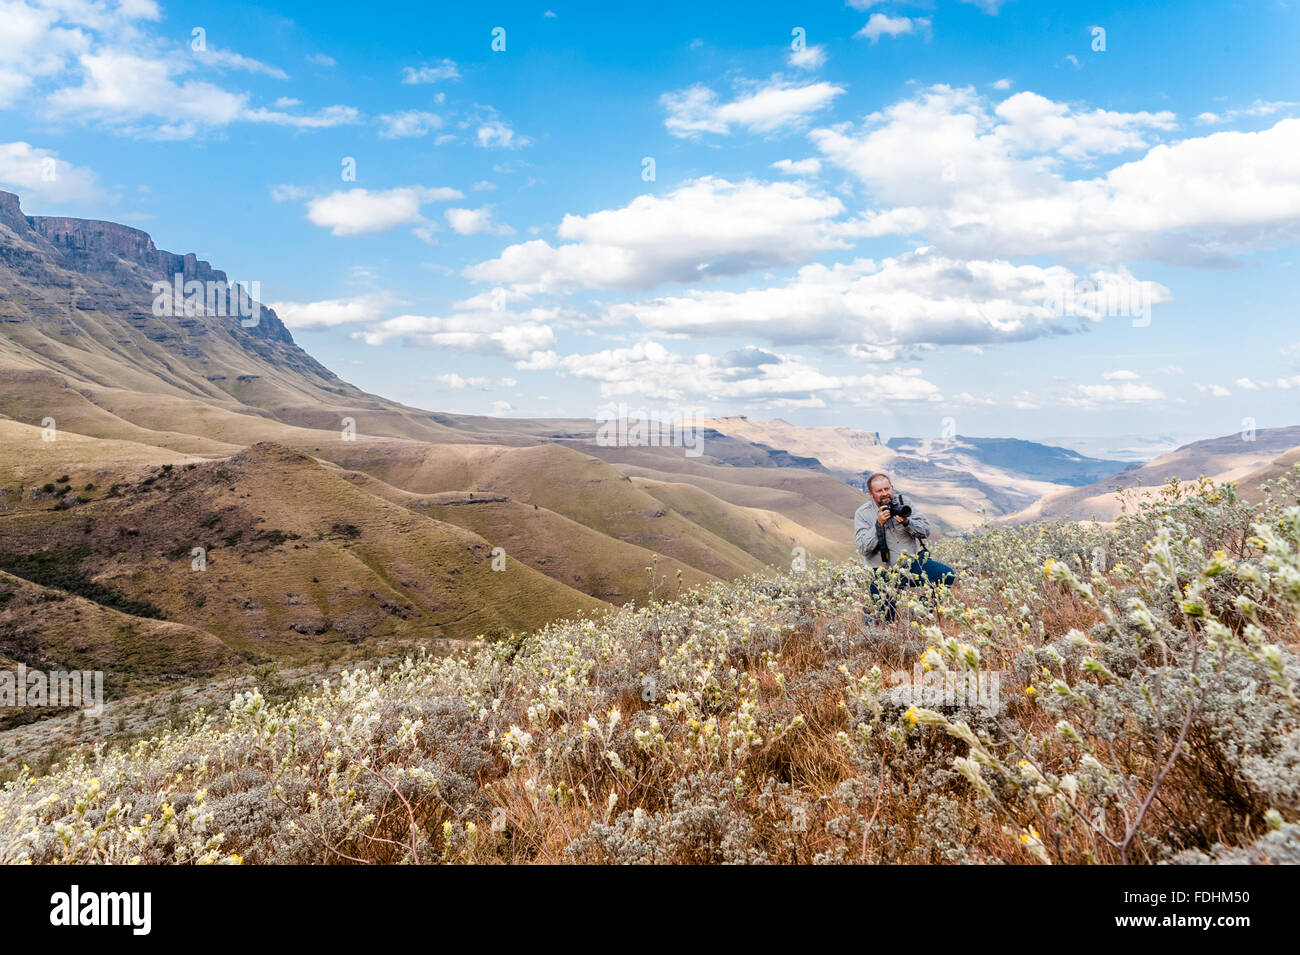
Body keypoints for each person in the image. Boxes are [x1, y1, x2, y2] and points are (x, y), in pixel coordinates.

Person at [853, 472, 955, 623]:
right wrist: (878, 524)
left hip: (910, 566)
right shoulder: (862, 513)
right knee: (885, 620)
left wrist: (907, 523)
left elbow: (926, 530)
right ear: (871, 494)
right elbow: (863, 548)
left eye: (887, 489)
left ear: (892, 488)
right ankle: (875, 622)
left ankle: (920, 614)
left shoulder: (904, 502)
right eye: (879, 491)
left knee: (946, 575)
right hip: (881, 571)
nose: (884, 494)